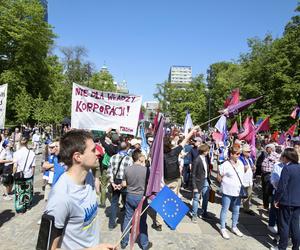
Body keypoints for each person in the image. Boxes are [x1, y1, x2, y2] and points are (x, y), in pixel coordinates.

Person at [45, 129, 115, 250]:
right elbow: (48, 247)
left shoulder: (88, 176)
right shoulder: (60, 197)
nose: (99, 153)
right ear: (78, 157)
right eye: (93, 150)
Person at [120, 149, 151, 249]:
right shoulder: (146, 170)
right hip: (141, 197)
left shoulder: (127, 169)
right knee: (142, 221)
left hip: (130, 195)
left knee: (127, 219)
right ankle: (144, 244)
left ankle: (124, 242)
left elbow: (124, 184)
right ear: (139, 158)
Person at [272, 148, 300, 250]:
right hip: (297, 202)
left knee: (284, 226)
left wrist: (276, 199)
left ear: (287, 158)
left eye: (283, 156)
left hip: (286, 202)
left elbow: (282, 186)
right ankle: (296, 247)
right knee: (295, 226)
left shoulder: (287, 169)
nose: (282, 158)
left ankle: (282, 247)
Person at [218, 144, 244, 239]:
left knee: (236, 210)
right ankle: (223, 228)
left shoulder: (240, 163)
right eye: (237, 154)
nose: (239, 155)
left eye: (239, 153)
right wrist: (225, 183)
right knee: (225, 209)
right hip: (227, 191)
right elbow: (219, 177)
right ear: (231, 154)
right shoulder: (225, 164)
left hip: (238, 191)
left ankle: (234, 227)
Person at [107, 141, 133, 230]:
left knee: (114, 202)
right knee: (126, 202)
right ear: (127, 148)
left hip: (115, 181)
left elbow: (109, 172)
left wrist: (112, 183)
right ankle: (125, 223)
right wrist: (123, 184)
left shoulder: (113, 157)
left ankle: (111, 224)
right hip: (124, 181)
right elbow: (130, 174)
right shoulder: (129, 159)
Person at [13, 137, 36, 214]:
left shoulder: (16, 153)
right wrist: (32, 175)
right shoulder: (32, 153)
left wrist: (14, 174)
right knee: (28, 191)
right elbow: (33, 166)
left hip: (19, 175)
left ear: (19, 143)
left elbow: (15, 166)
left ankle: (21, 209)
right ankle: (27, 206)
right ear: (27, 143)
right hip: (28, 174)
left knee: (20, 192)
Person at [191, 143, 211, 222]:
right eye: (207, 150)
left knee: (206, 198)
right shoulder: (197, 160)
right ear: (204, 151)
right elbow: (193, 174)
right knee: (196, 199)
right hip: (198, 182)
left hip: (206, 180)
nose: (208, 152)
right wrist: (194, 187)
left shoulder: (206, 158)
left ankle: (204, 212)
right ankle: (194, 215)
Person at [261, 144, 280, 209]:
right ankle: (265, 205)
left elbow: (278, 163)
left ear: (271, 148)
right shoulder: (266, 155)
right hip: (264, 174)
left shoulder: (276, 155)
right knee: (264, 190)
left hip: (270, 174)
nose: (266, 149)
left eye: (267, 148)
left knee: (268, 190)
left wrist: (272, 159)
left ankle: (270, 205)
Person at [239, 144, 256, 216]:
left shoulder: (250, 159)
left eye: (250, 151)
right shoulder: (239, 159)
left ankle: (246, 209)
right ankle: (235, 207)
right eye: (248, 151)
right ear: (243, 152)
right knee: (239, 195)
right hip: (242, 180)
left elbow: (251, 168)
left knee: (249, 195)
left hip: (249, 180)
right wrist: (244, 169)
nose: (249, 153)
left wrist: (253, 168)